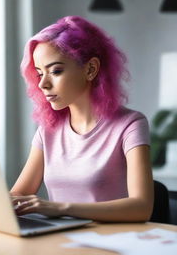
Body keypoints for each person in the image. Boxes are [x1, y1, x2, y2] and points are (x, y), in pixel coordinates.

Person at [10, 15, 154, 222]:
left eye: (56, 71)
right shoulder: (47, 130)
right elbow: (19, 194)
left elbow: (141, 207)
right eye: (40, 74)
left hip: (112, 244)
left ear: (90, 69)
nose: (43, 85)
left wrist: (60, 208)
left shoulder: (130, 124)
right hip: (61, 242)